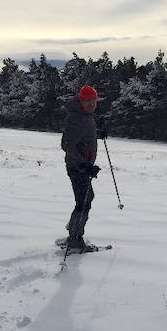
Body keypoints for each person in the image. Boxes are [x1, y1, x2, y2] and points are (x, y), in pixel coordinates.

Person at [61, 85, 103, 253]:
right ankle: (75, 240)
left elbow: (83, 137)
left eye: (94, 101)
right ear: (81, 101)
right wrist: (83, 165)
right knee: (84, 201)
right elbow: (67, 144)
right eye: (88, 101)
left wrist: (99, 133)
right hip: (77, 167)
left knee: (86, 198)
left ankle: (73, 232)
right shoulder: (76, 118)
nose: (92, 104)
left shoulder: (86, 116)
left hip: (83, 166)